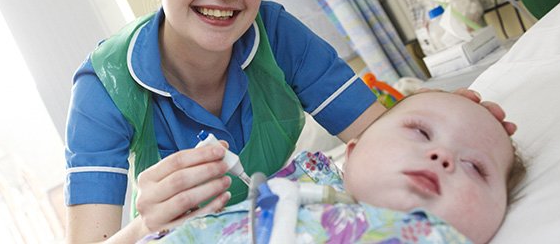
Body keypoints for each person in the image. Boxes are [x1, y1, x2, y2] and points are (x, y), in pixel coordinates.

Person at [63, 0, 516, 242]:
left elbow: (373, 138)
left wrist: (441, 125)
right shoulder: (104, 86)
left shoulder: (276, 34)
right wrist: (149, 225)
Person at [142, 91, 526, 244]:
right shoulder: (304, 181)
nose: (444, 157)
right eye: (421, 131)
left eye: (476, 167)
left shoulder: (429, 236)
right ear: (353, 152)